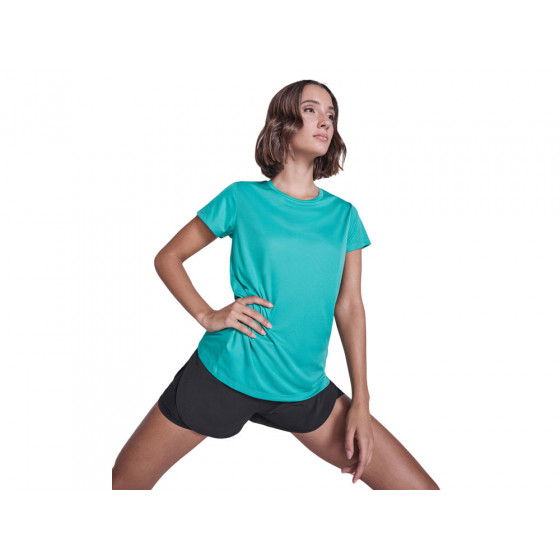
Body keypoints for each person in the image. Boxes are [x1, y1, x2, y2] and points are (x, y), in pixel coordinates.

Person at [112, 79, 439, 490]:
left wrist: (361, 401)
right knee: (126, 482)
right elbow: (168, 257)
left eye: (331, 114)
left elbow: (349, 307)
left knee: (418, 491)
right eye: (311, 110)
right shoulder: (241, 198)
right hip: (226, 373)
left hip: (303, 387)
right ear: (283, 122)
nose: (325, 121)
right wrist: (207, 315)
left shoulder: (344, 216)